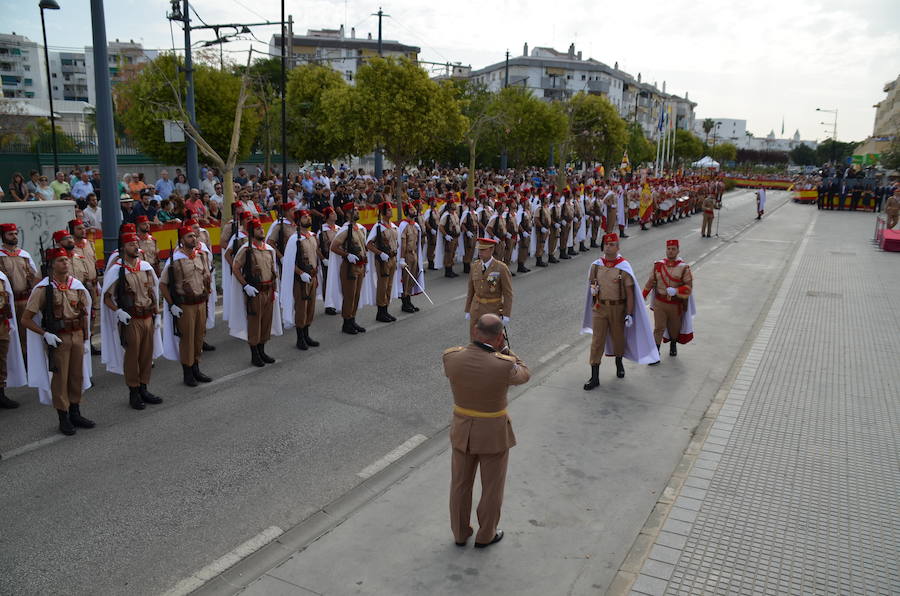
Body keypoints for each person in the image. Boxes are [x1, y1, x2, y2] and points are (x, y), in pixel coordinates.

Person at [443, 313, 531, 548]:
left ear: (474, 331)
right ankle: (486, 534)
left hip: (462, 430)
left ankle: (460, 533)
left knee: (460, 485)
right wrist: (507, 351)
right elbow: (524, 373)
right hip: (493, 433)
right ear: (500, 336)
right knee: (492, 487)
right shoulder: (503, 365)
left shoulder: (451, 358)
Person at [21, 248, 93, 436]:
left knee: (77, 376)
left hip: (76, 334)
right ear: (52, 265)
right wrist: (45, 334)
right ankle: (63, 417)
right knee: (60, 379)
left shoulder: (76, 285)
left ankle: (75, 412)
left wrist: (85, 337)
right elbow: (26, 319)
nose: (65, 263)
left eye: (66, 259)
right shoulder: (44, 289)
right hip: (58, 339)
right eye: (61, 260)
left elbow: (85, 311)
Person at [580, 233, 657, 386]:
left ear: (618, 247)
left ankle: (619, 363)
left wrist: (629, 314)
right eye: (606, 244)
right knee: (597, 341)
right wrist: (594, 291)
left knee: (618, 339)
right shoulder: (596, 265)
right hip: (600, 307)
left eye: (612, 244)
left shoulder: (624, 267)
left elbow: (630, 293)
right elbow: (592, 285)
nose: (608, 247)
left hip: (618, 309)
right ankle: (594, 376)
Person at [100, 232, 164, 410]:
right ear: (122, 248)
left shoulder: (145, 267)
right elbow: (107, 297)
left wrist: (157, 313)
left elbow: (152, 291)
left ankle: (144, 388)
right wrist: (117, 311)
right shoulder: (116, 270)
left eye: (136, 243)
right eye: (131, 244)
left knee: (146, 355)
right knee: (132, 357)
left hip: (147, 317)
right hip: (131, 319)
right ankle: (133, 392)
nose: (136, 247)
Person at [160, 226, 214, 387]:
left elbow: (206, 276)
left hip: (200, 302)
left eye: (194, 236)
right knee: (187, 340)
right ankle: (187, 372)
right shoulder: (174, 260)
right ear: (181, 240)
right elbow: (163, 285)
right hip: (185, 305)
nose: (194, 239)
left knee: (198, 338)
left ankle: (196, 368)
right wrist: (172, 305)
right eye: (189, 236)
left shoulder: (201, 256)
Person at [230, 218, 283, 367]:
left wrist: (275, 289)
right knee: (255, 323)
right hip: (255, 291)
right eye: (259, 229)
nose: (262, 231)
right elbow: (236, 267)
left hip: (268, 289)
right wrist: (245, 285)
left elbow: (273, 270)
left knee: (266, 322)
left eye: (262, 228)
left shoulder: (268, 249)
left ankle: (262, 350)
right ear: (252, 232)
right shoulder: (246, 250)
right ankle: (255, 354)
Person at [642, 239, 695, 360]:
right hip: (660, 302)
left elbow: (688, 287)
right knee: (658, 327)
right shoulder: (659, 265)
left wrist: (676, 291)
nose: (670, 251)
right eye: (669, 249)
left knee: (674, 328)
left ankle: (673, 344)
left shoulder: (684, 268)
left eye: (673, 249)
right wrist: (642, 295)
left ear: (678, 250)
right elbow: (651, 281)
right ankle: (655, 353)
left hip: (675, 304)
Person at [280, 209, 322, 351]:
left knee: (310, 307)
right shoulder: (294, 239)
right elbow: (289, 262)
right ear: (298, 221)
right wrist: (300, 273)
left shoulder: (311, 236)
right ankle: (300, 338)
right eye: (305, 217)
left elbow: (315, 256)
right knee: (301, 308)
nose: (308, 218)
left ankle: (307, 334)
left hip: (313, 276)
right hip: (301, 279)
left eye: (308, 216)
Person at [327, 203, 372, 335]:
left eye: (358, 210)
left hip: (360, 265)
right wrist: (347, 255)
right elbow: (334, 247)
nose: (358, 212)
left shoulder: (360, 229)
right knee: (349, 296)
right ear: (348, 214)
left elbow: (364, 247)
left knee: (356, 295)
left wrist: (367, 263)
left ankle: (352, 319)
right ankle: (346, 323)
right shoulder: (346, 229)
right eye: (355, 211)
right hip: (349, 267)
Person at [0, 223, 38, 360]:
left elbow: (34, 277)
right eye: (10, 234)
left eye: (15, 233)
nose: (14, 236)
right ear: (3, 236)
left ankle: (28, 358)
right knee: (10, 334)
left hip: (25, 300)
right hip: (7, 303)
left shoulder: (24, 255)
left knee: (26, 332)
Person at [464, 238, 513, 341]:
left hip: (492, 310)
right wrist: (468, 309)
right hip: (476, 309)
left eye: (483, 250)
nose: (480, 253)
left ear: (491, 250)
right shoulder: (475, 266)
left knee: (491, 342)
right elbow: (471, 291)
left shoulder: (501, 268)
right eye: (479, 250)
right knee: (475, 340)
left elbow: (508, 294)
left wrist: (506, 314)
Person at [365, 201, 400, 323]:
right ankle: (380, 312)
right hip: (383, 260)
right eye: (389, 210)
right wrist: (380, 253)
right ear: (383, 212)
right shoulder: (378, 227)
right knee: (382, 286)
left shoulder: (393, 226)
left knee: (389, 286)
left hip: (392, 258)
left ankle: (386, 310)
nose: (391, 212)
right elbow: (369, 244)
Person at [0, 268, 27, 409]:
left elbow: (7, 299)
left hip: (1, 325)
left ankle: (1, 394)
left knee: (1, 359)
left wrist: (10, 323)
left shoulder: (1, 277)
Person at [398, 201, 425, 313]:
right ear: (406, 212)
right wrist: (402, 258)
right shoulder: (404, 225)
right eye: (411, 209)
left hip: (414, 254)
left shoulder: (415, 225)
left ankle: (409, 300)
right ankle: (405, 303)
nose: (414, 210)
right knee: (406, 279)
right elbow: (403, 244)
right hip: (407, 254)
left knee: (412, 278)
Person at [438, 198, 461, 278]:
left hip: (455, 236)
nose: (455, 205)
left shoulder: (454, 214)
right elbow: (441, 227)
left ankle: (451, 269)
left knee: (453, 254)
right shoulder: (446, 215)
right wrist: (446, 235)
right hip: (450, 237)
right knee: (448, 254)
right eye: (453, 204)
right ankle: (448, 271)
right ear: (449, 206)